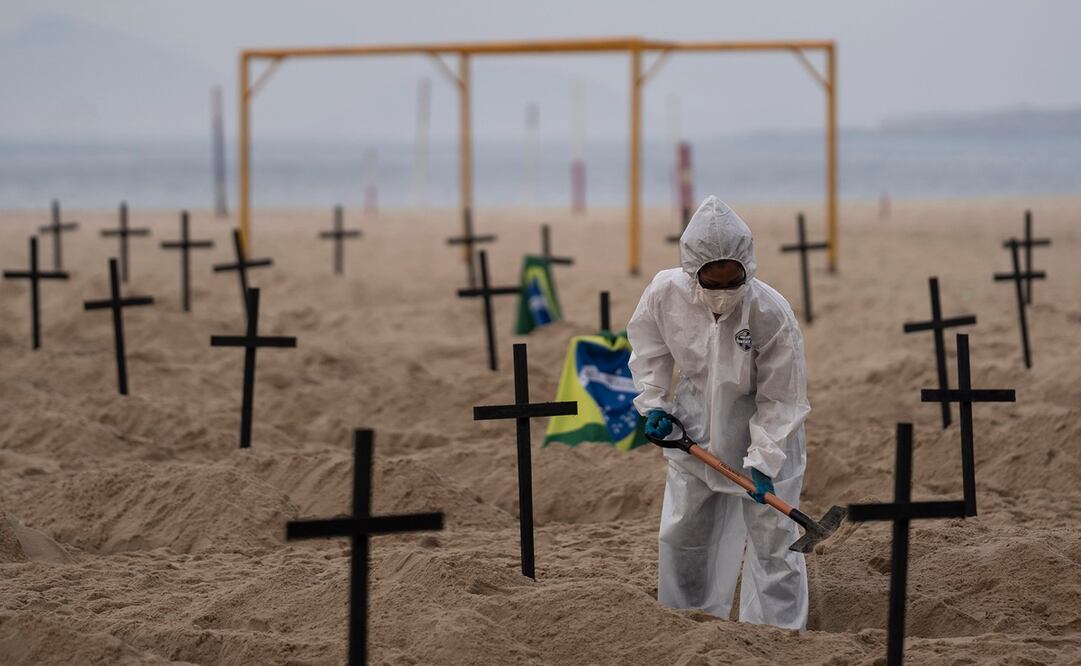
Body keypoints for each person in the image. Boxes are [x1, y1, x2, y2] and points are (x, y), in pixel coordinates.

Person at [627, 195, 811, 630]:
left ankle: (776, 634)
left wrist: (764, 461)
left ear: (748, 267)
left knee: (773, 542)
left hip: (765, 431)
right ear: (694, 271)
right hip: (691, 428)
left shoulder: (771, 313)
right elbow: (648, 350)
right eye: (714, 280)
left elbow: (781, 399)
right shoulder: (664, 293)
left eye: (734, 280)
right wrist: (653, 404)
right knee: (684, 532)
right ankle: (687, 622)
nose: (724, 291)